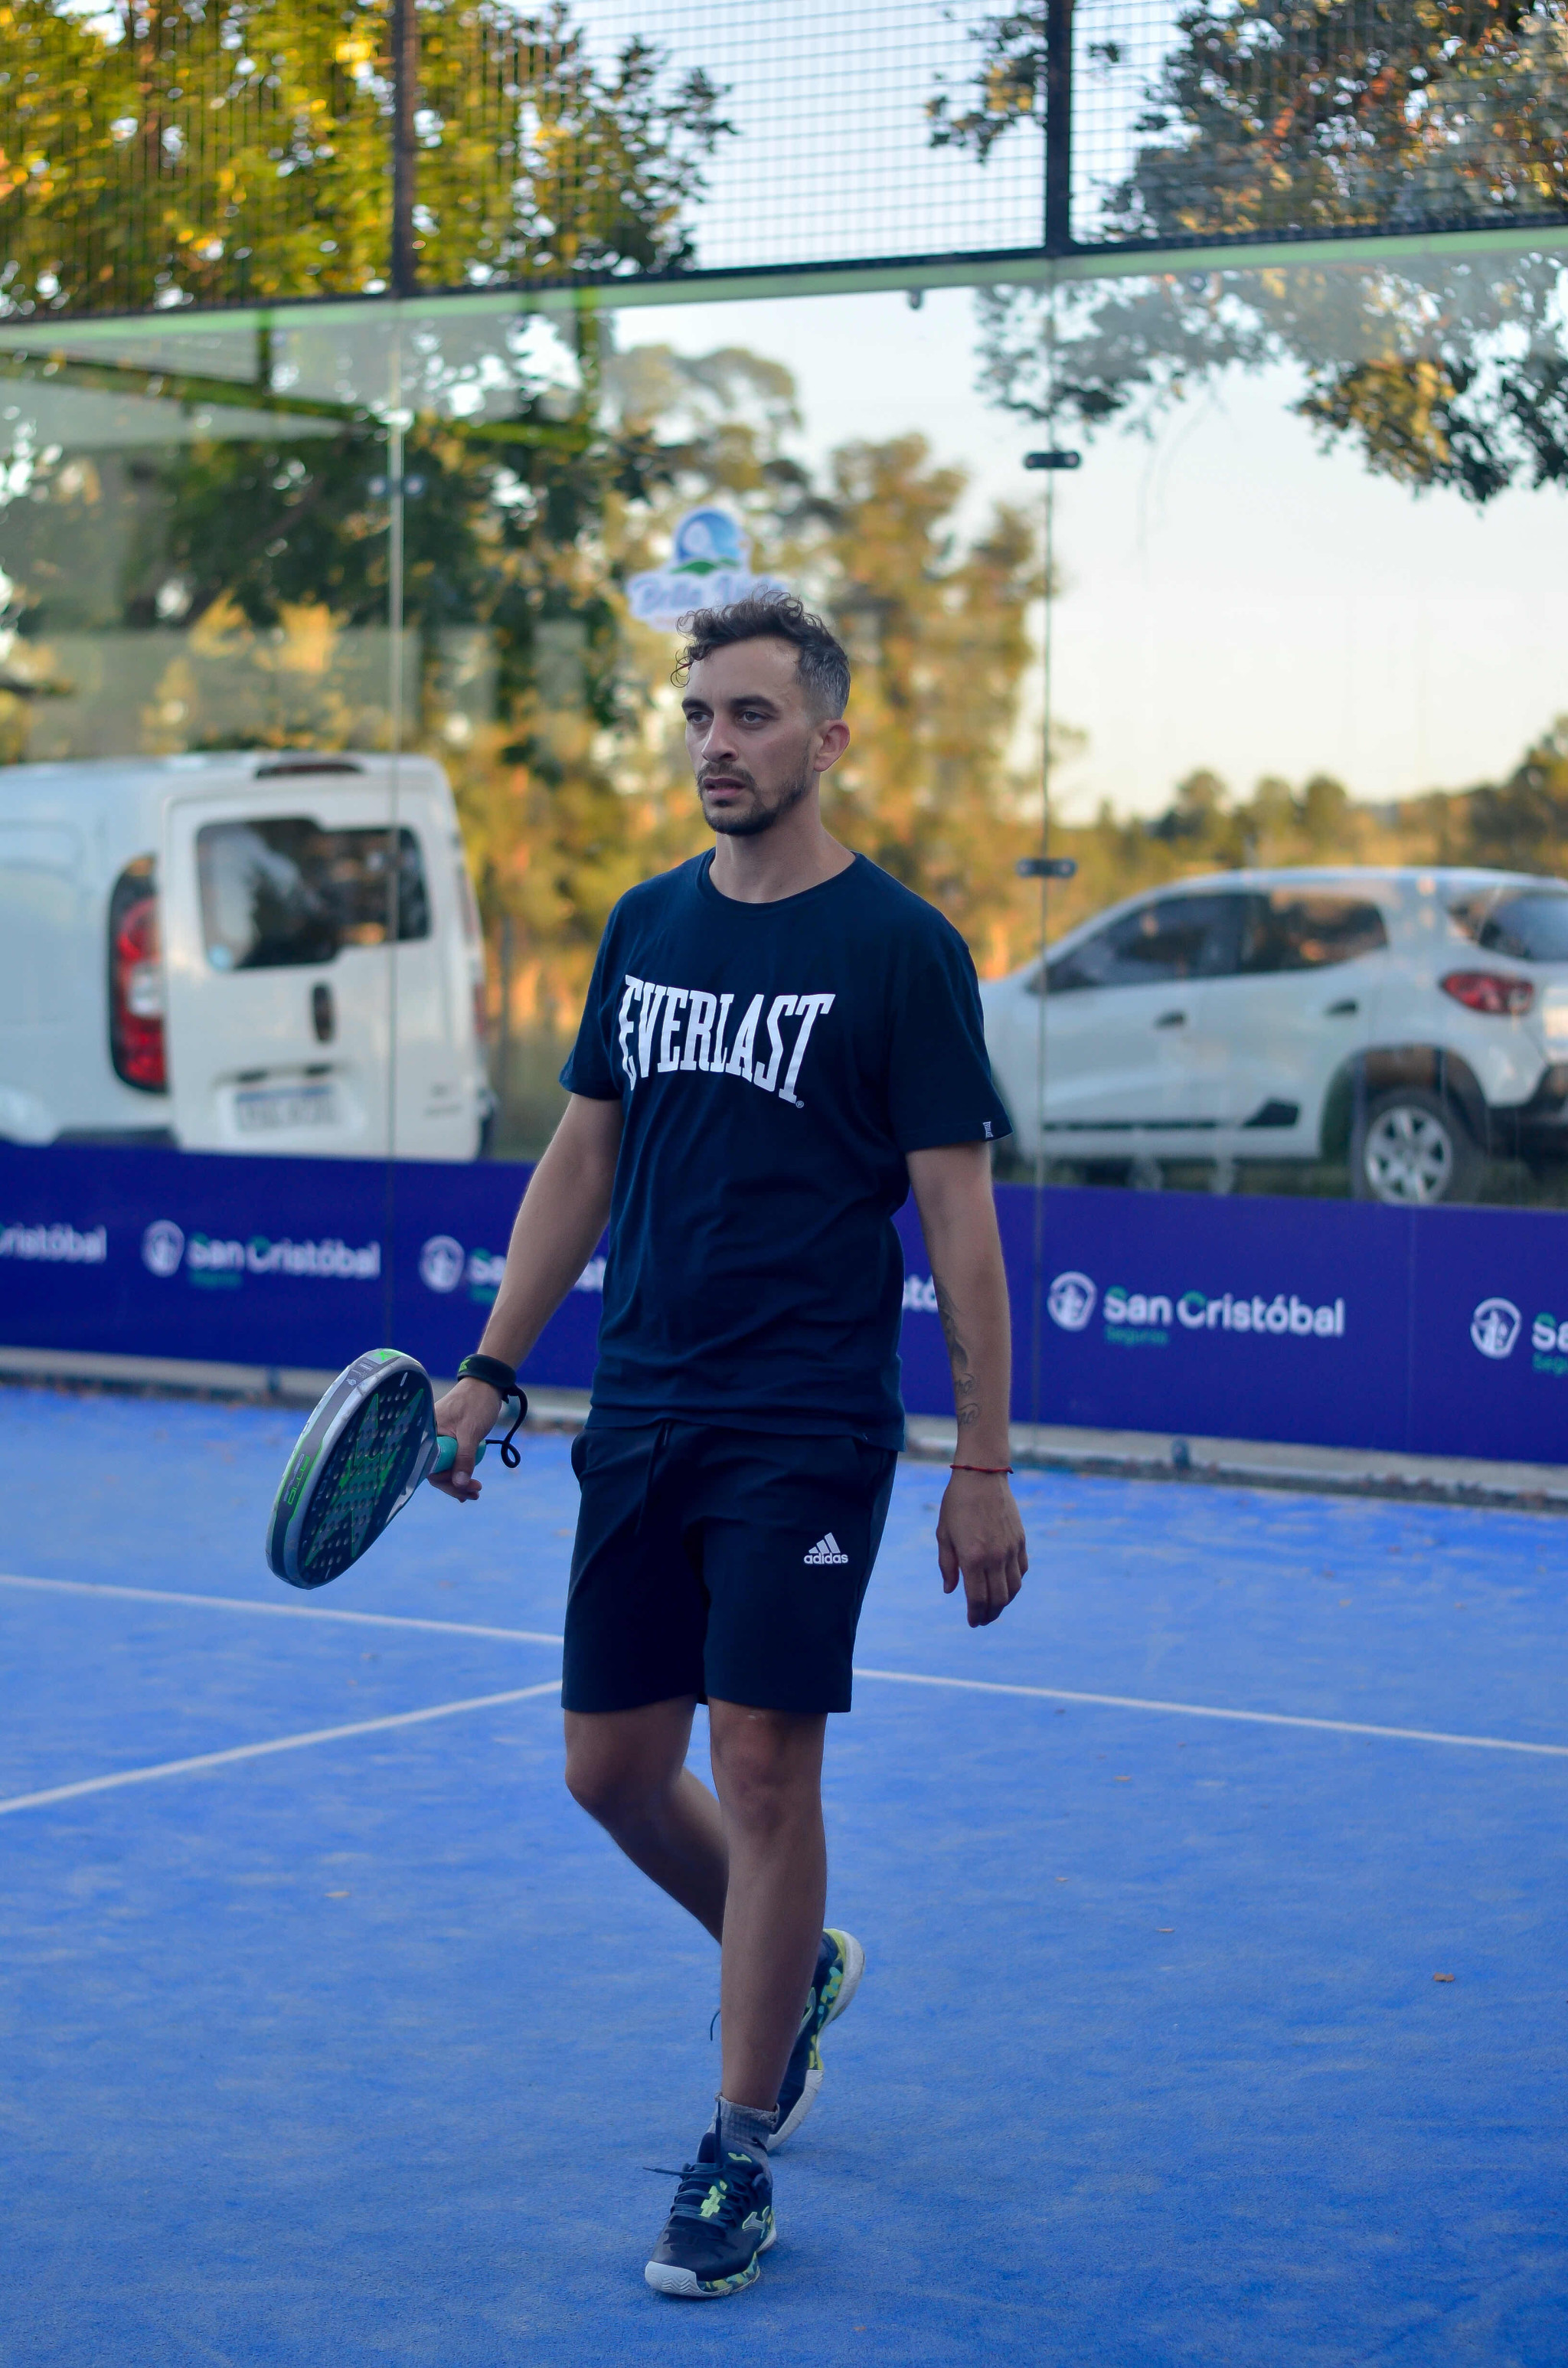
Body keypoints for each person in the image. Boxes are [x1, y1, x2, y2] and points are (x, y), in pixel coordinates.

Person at [430, 593, 1027, 2300]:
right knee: (609, 1773)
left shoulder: (901, 948)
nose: (717, 743)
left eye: (752, 716)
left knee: (765, 1770)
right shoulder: (643, 924)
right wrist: (490, 1368)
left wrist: (982, 1462)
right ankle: (798, 1964)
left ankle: (737, 2147)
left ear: (827, 739)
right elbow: (583, 1161)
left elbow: (959, 1224)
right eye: (700, 714)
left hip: (804, 1426)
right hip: (644, 1411)